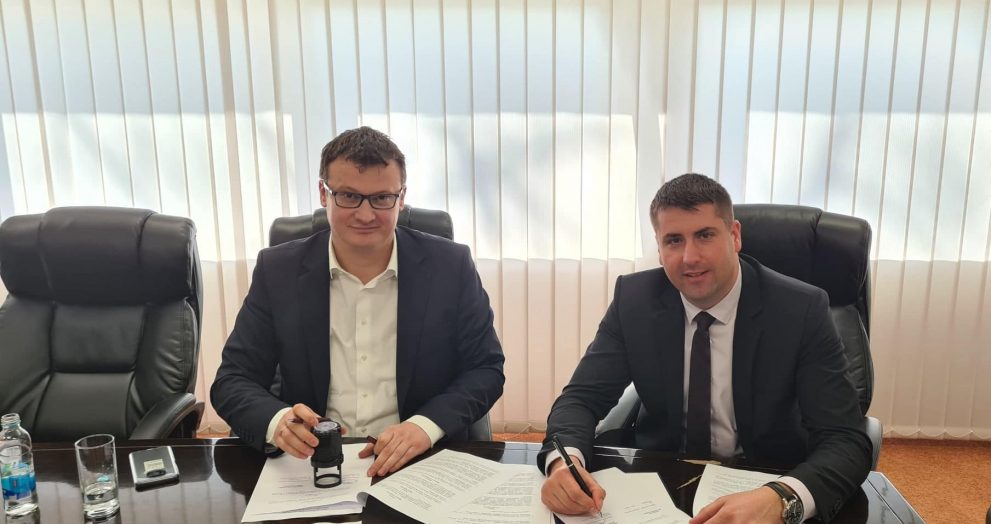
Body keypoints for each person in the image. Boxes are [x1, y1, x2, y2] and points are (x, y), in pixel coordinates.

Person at [539, 174, 871, 523]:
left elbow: (845, 439)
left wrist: (783, 498)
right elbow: (582, 398)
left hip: (765, 479)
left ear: (735, 235)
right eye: (673, 240)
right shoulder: (634, 301)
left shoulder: (800, 309)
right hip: (663, 485)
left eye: (705, 235)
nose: (689, 257)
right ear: (659, 248)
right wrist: (563, 463)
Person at [211, 126, 505, 477]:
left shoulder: (450, 266)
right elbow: (233, 380)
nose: (365, 215)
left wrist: (424, 427)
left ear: (402, 198)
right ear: (323, 193)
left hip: (420, 460)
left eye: (381, 198)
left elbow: (485, 369)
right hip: (313, 464)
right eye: (349, 196)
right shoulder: (279, 271)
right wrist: (278, 423)